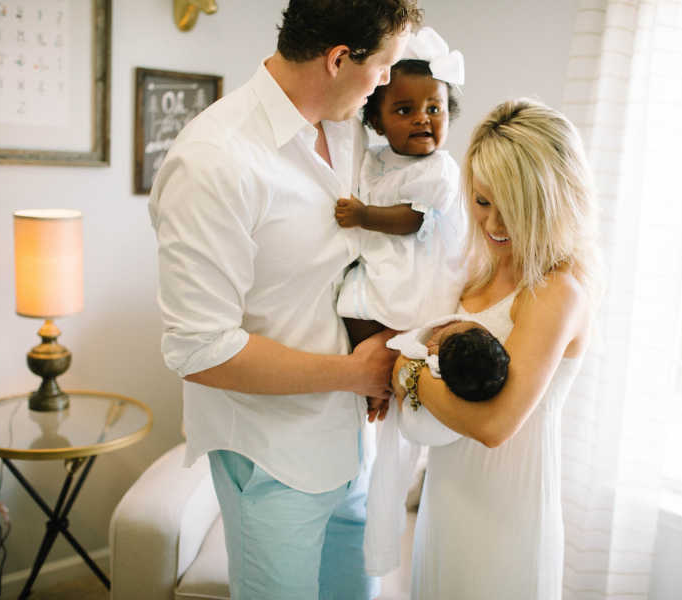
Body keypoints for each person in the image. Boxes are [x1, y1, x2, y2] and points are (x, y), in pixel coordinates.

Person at [147, 2, 421, 599]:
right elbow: (200, 349)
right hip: (271, 455)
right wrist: (352, 372)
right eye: (382, 66)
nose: (386, 81)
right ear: (338, 58)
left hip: (353, 443)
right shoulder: (214, 162)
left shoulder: (349, 130)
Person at [393, 98, 602, 599]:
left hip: (508, 516)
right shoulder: (475, 268)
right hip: (446, 502)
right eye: (483, 201)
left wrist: (407, 372)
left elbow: (493, 425)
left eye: (513, 207)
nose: (493, 224)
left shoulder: (556, 291)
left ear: (553, 201)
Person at [334, 27, 468, 354]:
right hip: (380, 261)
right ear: (378, 123)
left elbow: (414, 219)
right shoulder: (374, 159)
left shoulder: (439, 170)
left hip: (415, 270)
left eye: (434, 109)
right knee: (350, 310)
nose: (422, 119)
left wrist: (364, 215)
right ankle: (369, 365)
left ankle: (387, 364)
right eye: (405, 110)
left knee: (401, 322)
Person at [363, 315, 509, 576]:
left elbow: (404, 362)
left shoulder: (440, 363)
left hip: (441, 433)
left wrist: (410, 367)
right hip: (446, 463)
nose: (432, 342)